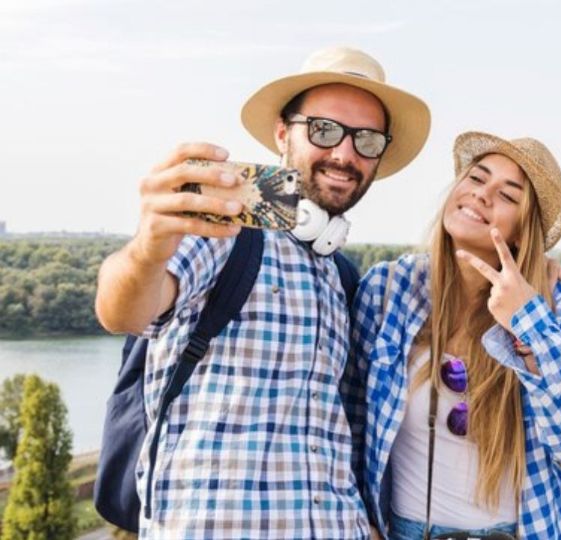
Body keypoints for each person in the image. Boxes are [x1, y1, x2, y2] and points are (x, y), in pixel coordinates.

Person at [94, 46, 430, 539]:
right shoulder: (223, 232)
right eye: (324, 129)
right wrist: (148, 249)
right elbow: (123, 309)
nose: (344, 153)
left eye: (367, 140)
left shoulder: (343, 277)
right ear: (281, 133)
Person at [350, 132, 561, 539]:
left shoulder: (551, 305)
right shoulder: (389, 290)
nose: (482, 195)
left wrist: (529, 323)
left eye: (508, 196)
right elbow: (351, 421)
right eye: (476, 178)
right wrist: (358, 520)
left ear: (522, 234)